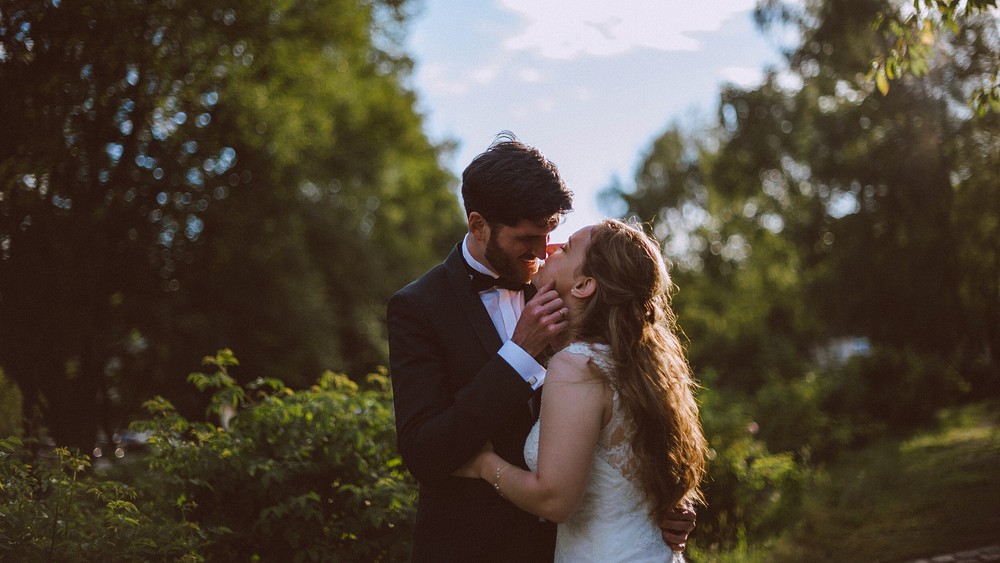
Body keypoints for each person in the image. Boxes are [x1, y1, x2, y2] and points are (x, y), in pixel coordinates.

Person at [387, 132, 695, 562]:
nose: (542, 251)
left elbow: (634, 408)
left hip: (571, 545)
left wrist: (659, 502)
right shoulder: (418, 307)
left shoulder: (571, 287)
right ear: (479, 225)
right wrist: (517, 355)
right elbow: (423, 451)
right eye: (528, 238)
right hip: (472, 548)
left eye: (552, 233)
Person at [453, 219, 709, 562]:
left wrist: (484, 463)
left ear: (584, 285)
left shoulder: (577, 365)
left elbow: (554, 500)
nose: (550, 248)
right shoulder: (635, 365)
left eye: (568, 247)